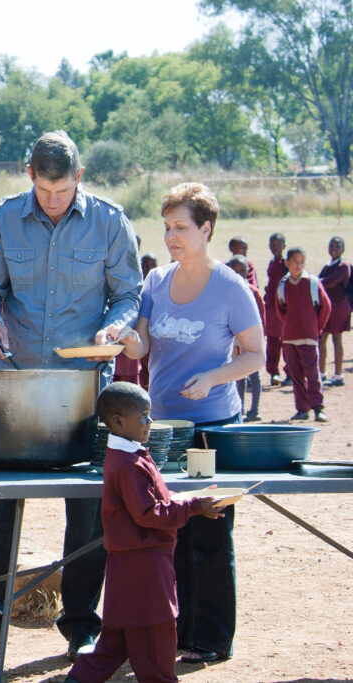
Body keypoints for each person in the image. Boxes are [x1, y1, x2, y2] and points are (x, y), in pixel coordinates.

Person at [0, 131, 142, 659]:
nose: (53, 200)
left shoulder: (110, 221)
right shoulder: (6, 217)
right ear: (29, 176)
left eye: (62, 190)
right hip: (16, 385)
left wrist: (112, 330)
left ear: (78, 177)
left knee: (87, 512)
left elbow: (127, 293)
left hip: (85, 388)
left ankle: (81, 626)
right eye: (44, 190)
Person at [114, 182, 265, 664]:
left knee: (212, 534)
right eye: (167, 227)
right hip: (161, 430)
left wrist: (215, 377)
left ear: (206, 229)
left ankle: (212, 639)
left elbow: (256, 354)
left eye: (181, 227)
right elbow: (140, 345)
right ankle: (176, 632)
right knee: (170, 531)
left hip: (214, 427)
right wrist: (122, 339)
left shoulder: (230, 288)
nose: (171, 235)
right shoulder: (155, 281)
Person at [65, 382, 222, 683]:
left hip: (130, 562)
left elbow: (152, 500)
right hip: (145, 564)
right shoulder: (128, 463)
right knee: (158, 633)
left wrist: (191, 498)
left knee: (115, 642)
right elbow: (149, 514)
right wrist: (192, 507)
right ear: (118, 421)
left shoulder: (129, 454)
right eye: (144, 416)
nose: (150, 422)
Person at [277, 246, 331, 422]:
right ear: (287, 263)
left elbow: (326, 307)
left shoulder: (312, 283)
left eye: (302, 262)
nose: (298, 266)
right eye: (295, 262)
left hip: (309, 337)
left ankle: (318, 407)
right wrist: (289, 325)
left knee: (312, 374)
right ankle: (302, 409)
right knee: (296, 375)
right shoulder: (283, 285)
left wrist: (317, 329)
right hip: (290, 338)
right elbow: (280, 310)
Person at [226, 255, 265, 422]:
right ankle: (239, 408)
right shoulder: (226, 293)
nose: (239, 274)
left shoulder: (253, 291)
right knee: (237, 374)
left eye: (243, 271)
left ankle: (254, 410)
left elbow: (261, 316)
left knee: (254, 375)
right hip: (233, 340)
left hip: (250, 339)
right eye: (235, 271)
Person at [318, 236, 350, 387]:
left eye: (337, 246)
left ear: (343, 249)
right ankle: (321, 373)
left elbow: (329, 283)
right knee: (322, 339)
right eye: (331, 246)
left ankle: (338, 374)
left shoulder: (343, 266)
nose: (334, 249)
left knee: (336, 338)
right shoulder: (327, 266)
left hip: (338, 307)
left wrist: (314, 282)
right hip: (328, 307)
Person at [264, 233, 287, 385]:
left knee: (287, 341)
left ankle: (291, 372)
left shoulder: (286, 263)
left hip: (285, 306)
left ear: (284, 246)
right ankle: (273, 372)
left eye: (277, 245)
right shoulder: (272, 262)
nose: (274, 248)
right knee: (272, 340)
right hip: (272, 306)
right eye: (272, 245)